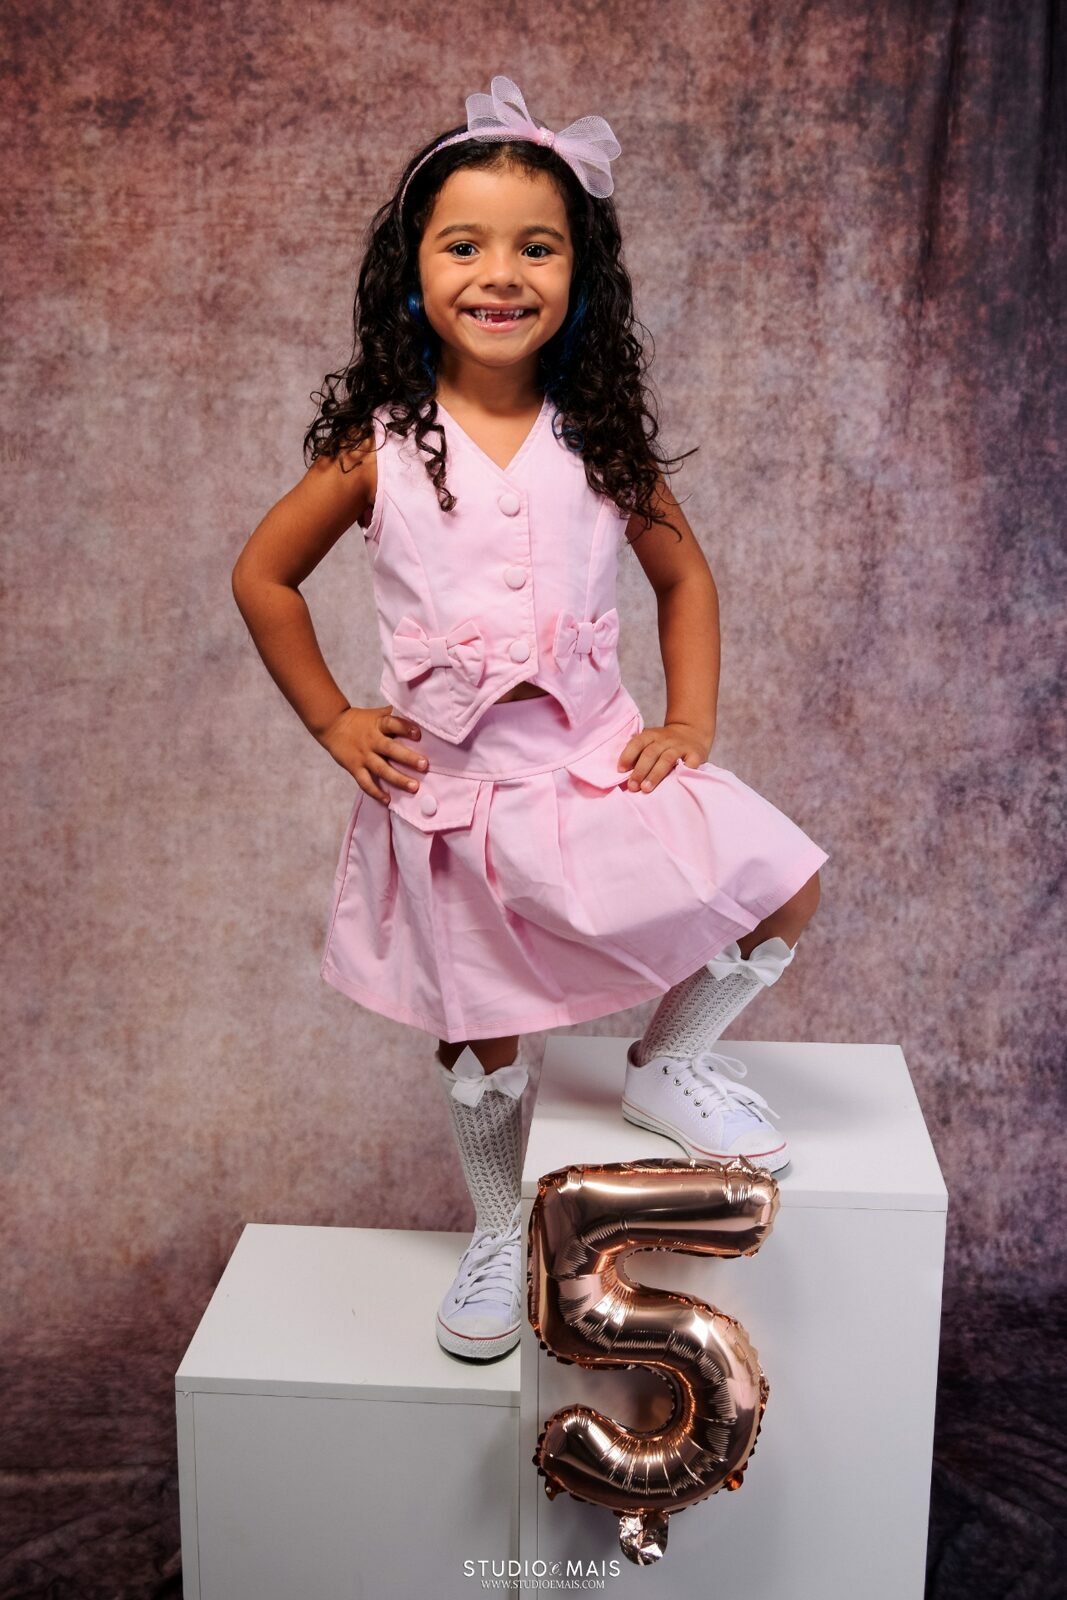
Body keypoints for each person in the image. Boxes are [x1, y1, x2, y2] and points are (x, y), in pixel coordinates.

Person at [231, 76, 829, 1364]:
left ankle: (667, 1066)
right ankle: (501, 1224)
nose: (500, 274)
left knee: (782, 885)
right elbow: (262, 576)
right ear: (412, 271)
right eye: (465, 245)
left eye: (536, 247)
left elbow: (684, 580)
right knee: (479, 1025)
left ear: (579, 276)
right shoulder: (380, 447)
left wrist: (689, 722)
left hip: (591, 767)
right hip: (457, 796)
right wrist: (333, 721)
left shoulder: (598, 441)